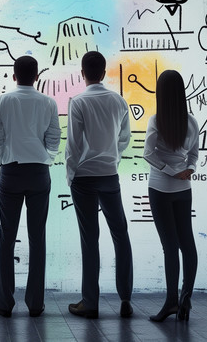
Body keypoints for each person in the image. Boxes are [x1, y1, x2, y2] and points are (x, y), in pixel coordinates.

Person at [0, 55, 61, 318]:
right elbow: (54, 138)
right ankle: (35, 304)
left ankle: (5, 303)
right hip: (39, 172)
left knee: (6, 237)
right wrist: (46, 159)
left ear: (13, 75)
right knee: (37, 237)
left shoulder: (3, 100)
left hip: (11, 171)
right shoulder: (48, 102)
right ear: (37, 76)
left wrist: (3, 159)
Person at [64, 51, 134, 319]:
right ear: (104, 73)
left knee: (89, 239)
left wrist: (71, 174)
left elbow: (74, 144)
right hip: (108, 175)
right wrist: (112, 160)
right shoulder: (119, 101)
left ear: (83, 73)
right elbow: (124, 139)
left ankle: (90, 302)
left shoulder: (78, 102)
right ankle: (125, 297)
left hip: (84, 177)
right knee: (120, 234)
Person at [143, 69, 199, 322]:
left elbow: (148, 154)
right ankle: (185, 299)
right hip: (183, 191)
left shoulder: (156, 120)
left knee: (170, 247)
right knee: (187, 244)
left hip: (160, 189)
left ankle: (171, 302)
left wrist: (171, 171)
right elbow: (194, 155)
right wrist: (187, 170)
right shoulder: (192, 121)